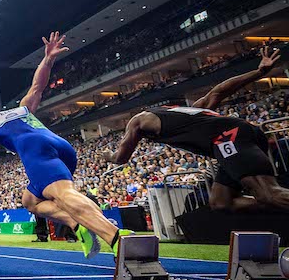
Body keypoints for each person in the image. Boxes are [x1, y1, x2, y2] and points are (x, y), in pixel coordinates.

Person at [0, 32, 128, 258]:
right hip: (61, 146)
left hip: (36, 149)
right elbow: (37, 85)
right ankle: (77, 224)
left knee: (63, 195)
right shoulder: (21, 110)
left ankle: (117, 238)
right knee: (30, 200)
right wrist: (48, 58)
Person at [105, 45, 289, 212]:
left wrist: (108, 156)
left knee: (269, 194)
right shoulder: (187, 112)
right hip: (240, 135)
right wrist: (257, 73)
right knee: (220, 202)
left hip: (227, 138)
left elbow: (121, 158)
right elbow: (219, 91)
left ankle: (273, 200)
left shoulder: (137, 120)